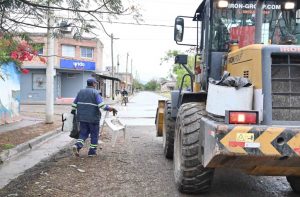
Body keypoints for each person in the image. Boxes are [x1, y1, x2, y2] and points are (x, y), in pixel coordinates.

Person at [71, 78, 117, 157]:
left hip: (82, 117)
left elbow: (74, 104)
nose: (95, 85)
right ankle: (92, 152)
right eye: (95, 83)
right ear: (93, 84)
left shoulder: (80, 92)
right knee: (94, 134)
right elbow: (101, 105)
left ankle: (77, 146)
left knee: (83, 133)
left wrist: (73, 111)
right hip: (93, 118)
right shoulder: (95, 93)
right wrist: (110, 108)